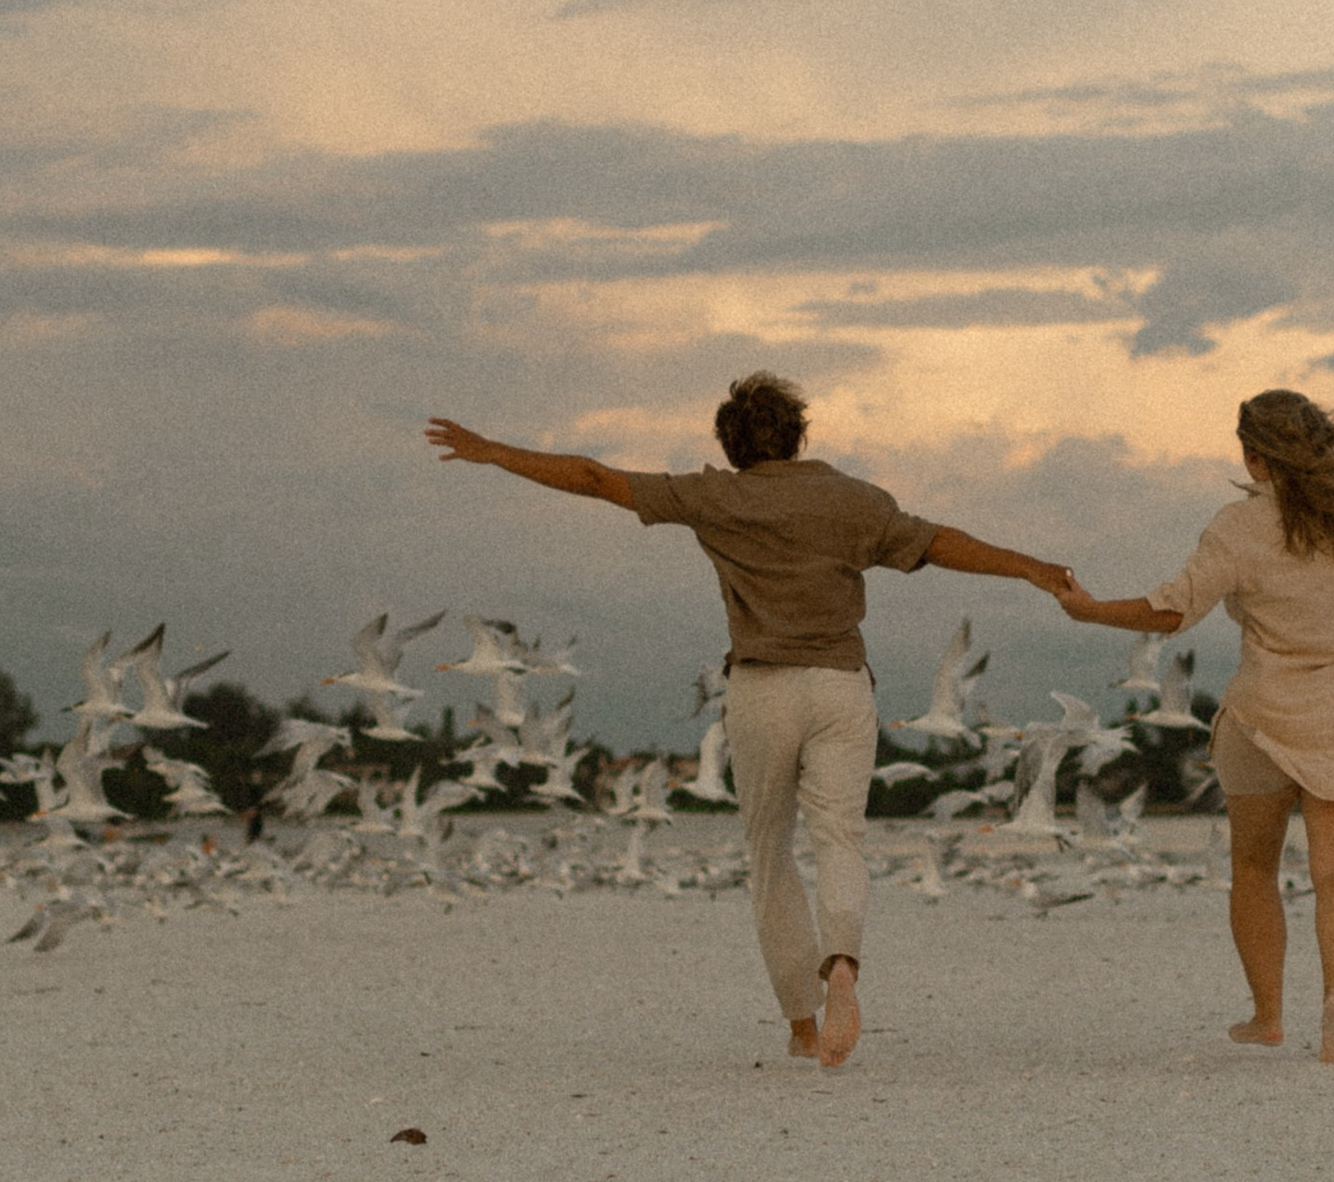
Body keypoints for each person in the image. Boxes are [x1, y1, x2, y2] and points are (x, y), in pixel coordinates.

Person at [426, 376, 1076, 1069]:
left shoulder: (716, 496)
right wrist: (1030, 567)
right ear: (799, 433)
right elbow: (940, 542)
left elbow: (594, 476)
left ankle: (801, 1023)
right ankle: (844, 964)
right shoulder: (853, 498)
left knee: (770, 851)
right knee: (839, 838)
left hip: (762, 687)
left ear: (731, 444)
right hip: (840, 685)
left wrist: (494, 450)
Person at [1056, 389, 1334, 1066]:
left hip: (1263, 717)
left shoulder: (1238, 525)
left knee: (1254, 866)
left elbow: (1173, 612)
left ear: (1255, 455)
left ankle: (1269, 1014)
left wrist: (1091, 609)